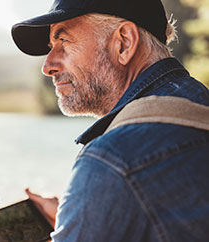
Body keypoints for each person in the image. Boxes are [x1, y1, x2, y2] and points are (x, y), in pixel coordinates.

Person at [11, 0, 209, 241]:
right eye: (51, 45)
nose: (48, 66)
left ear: (124, 42)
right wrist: (85, 214)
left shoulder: (112, 161)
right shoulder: (199, 103)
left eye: (63, 41)